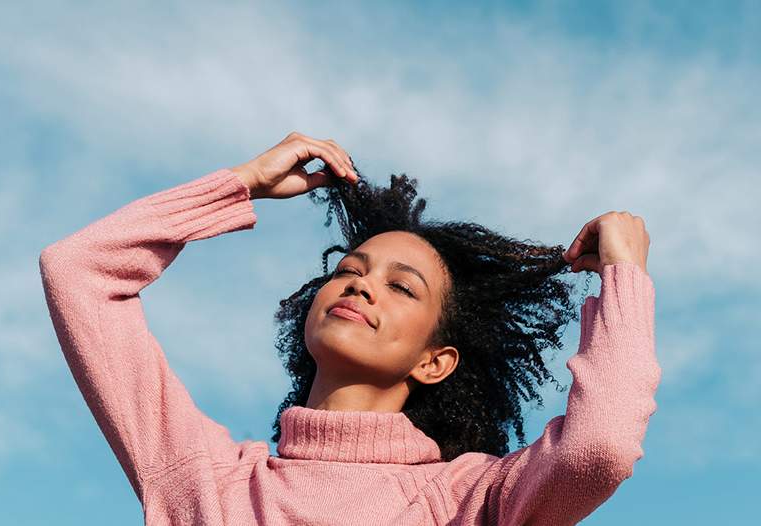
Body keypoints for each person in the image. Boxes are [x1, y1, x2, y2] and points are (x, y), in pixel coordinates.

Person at [39, 131, 660, 525]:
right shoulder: (202, 478)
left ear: (434, 361)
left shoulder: (467, 501)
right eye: (348, 270)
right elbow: (80, 270)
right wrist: (240, 184)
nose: (360, 284)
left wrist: (623, 275)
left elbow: (598, 449)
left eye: (400, 286)